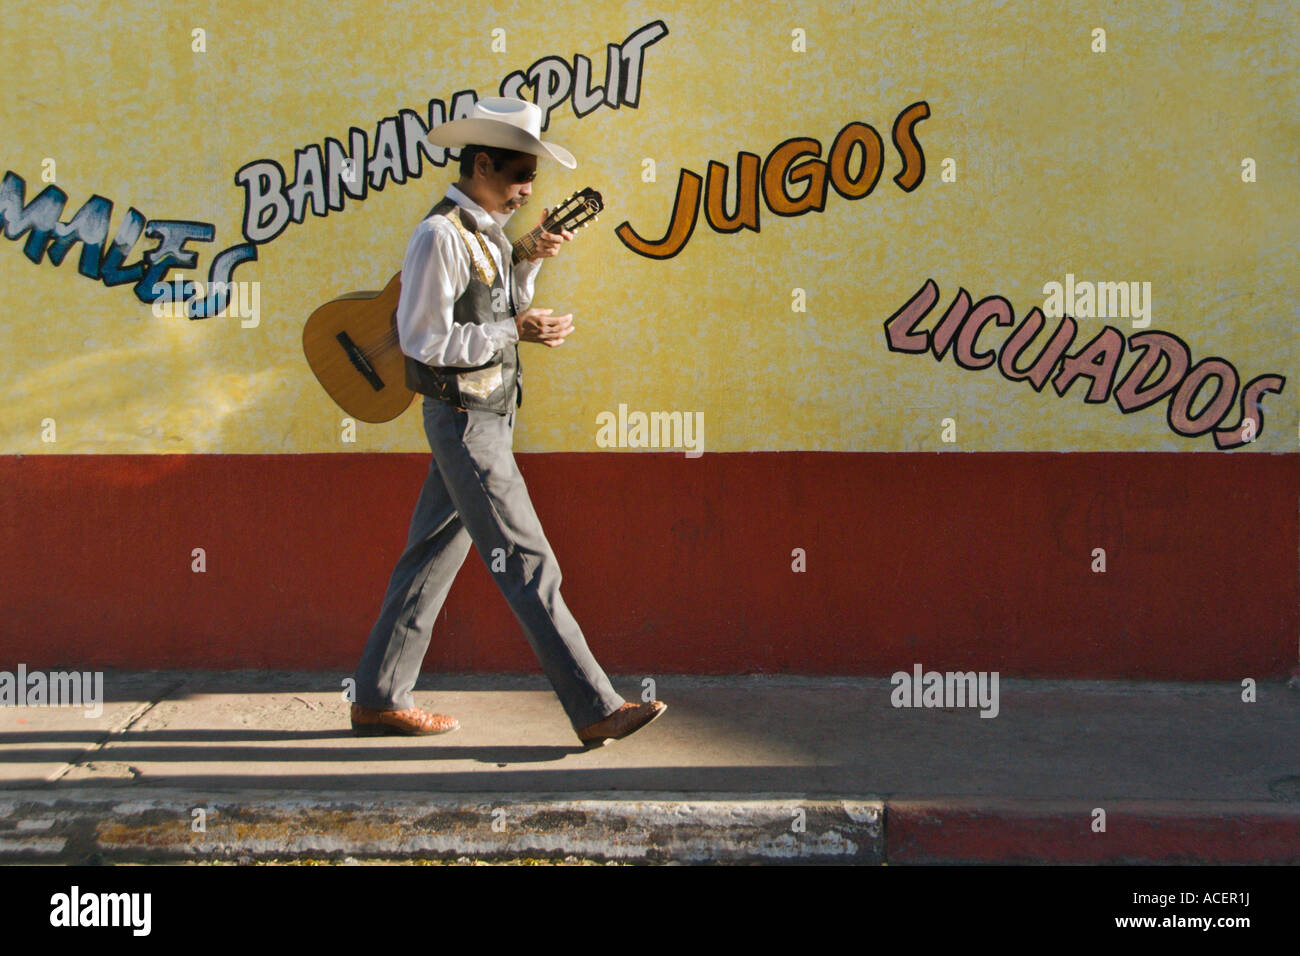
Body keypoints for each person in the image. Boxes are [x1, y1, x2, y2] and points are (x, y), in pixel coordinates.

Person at [350, 97, 665, 748]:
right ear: (483, 163)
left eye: (533, 176)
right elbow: (423, 338)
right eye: (521, 174)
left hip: (483, 412)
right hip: (465, 420)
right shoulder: (440, 235)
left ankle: (378, 697)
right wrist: (513, 329)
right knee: (527, 562)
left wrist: (533, 259)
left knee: (429, 560)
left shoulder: (488, 231)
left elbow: (501, 303)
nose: (529, 189)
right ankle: (595, 706)